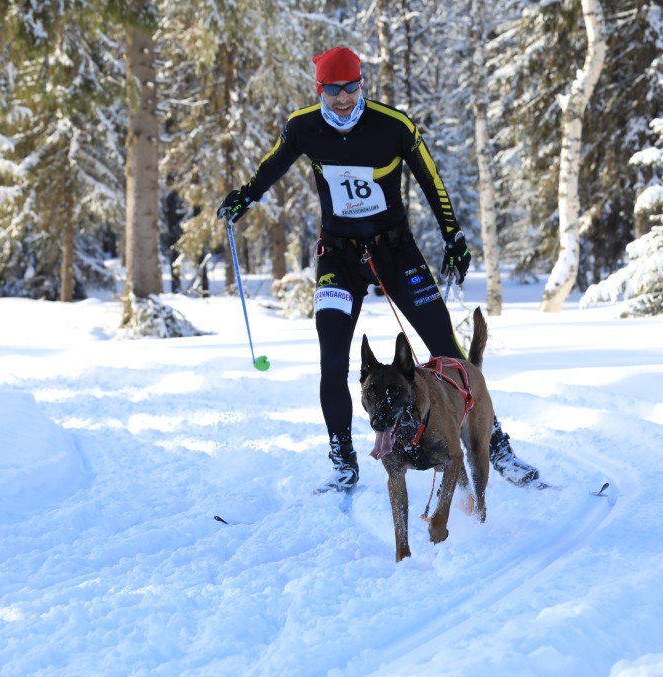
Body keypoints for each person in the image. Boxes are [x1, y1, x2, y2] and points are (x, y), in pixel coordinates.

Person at [218, 46, 540, 493]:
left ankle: (496, 444)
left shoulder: (393, 126)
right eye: (333, 91)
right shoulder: (303, 126)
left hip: (395, 252)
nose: (344, 99)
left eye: (351, 88)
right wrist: (244, 197)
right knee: (332, 361)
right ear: (321, 90)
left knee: (447, 350)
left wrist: (453, 237)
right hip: (339, 257)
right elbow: (271, 164)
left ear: (361, 84)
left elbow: (431, 179)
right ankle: (343, 461)